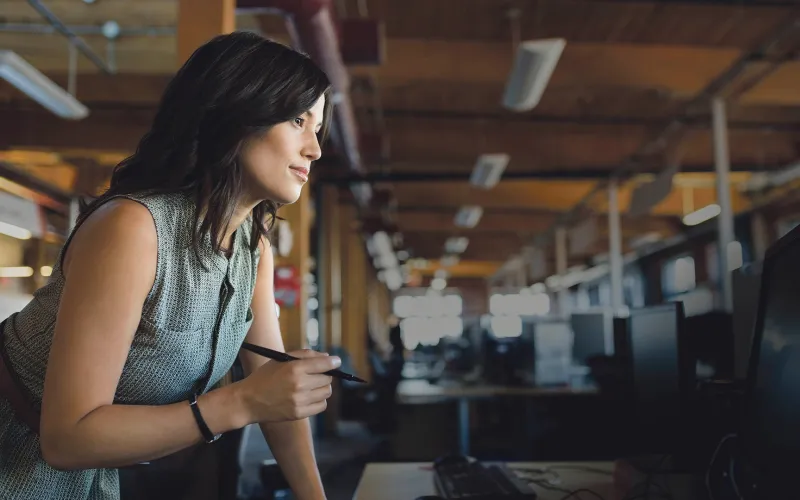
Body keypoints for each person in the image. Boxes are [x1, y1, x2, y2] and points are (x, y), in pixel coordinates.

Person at [0, 32, 339, 500]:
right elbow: (67, 436)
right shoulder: (133, 229)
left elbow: (272, 391)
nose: (314, 148)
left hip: (85, 472)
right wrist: (240, 402)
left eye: (317, 128)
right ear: (235, 112)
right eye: (298, 120)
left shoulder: (251, 250)